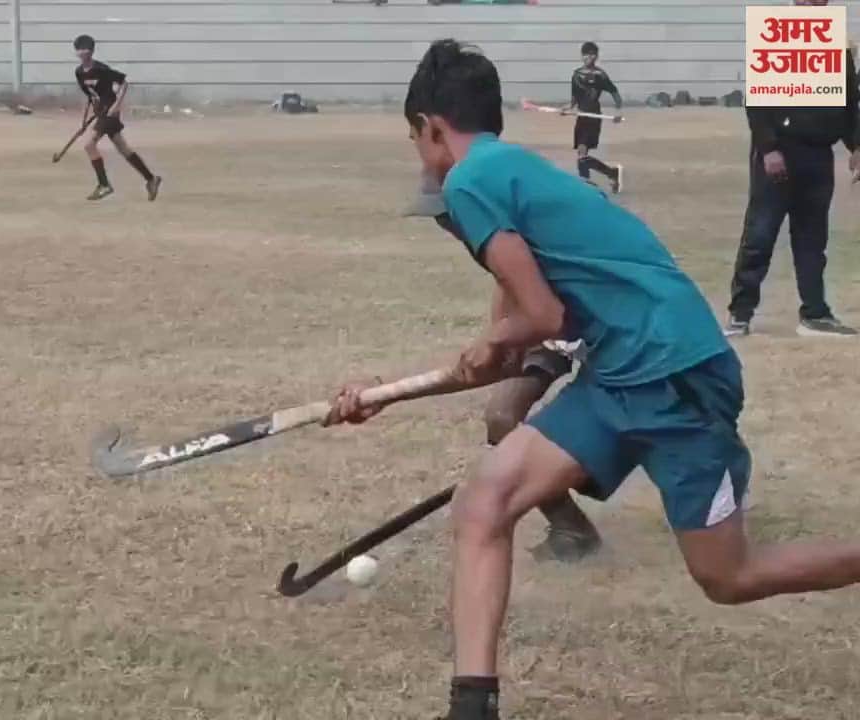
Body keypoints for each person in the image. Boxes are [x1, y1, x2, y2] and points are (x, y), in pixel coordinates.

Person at [326, 39, 860, 719]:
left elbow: (535, 319)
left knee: (729, 577)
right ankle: (472, 706)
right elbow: (514, 351)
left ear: (433, 126)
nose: (421, 161)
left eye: (416, 141)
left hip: (676, 374)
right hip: (620, 374)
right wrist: (381, 398)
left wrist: (489, 342)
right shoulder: (512, 178)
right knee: (486, 502)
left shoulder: (469, 183)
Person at [406, 173, 601, 563]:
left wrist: (501, 338)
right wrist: (502, 340)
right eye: (439, 219)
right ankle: (572, 528)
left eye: (447, 215)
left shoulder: (524, 218)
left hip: (601, 327)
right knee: (502, 415)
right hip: (546, 329)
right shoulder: (486, 233)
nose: (445, 225)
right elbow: (508, 282)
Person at [726, 0, 860, 338]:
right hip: (778, 155)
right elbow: (757, 100)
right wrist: (769, 148)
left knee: (813, 240)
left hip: (818, 156)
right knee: (759, 234)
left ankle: (814, 313)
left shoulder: (836, 44)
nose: (814, 4)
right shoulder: (776, 38)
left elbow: (849, 101)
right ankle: (740, 314)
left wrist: (857, 144)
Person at [73, 34, 162, 202]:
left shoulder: (102, 69)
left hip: (110, 112)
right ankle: (151, 179)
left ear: (91, 51)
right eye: (79, 49)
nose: (83, 52)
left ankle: (104, 185)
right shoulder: (79, 73)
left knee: (89, 145)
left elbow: (124, 82)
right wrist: (84, 121)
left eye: (86, 49)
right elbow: (89, 97)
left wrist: (117, 106)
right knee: (123, 148)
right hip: (100, 112)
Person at [567, 42, 623, 193]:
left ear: (596, 56)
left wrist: (618, 109)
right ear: (581, 55)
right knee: (581, 153)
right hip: (581, 116)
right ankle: (611, 173)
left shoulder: (600, 75)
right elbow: (574, 97)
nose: (589, 57)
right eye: (586, 53)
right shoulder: (576, 74)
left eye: (592, 54)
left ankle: (585, 182)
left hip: (593, 116)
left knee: (582, 152)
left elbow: (614, 91)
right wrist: (568, 107)